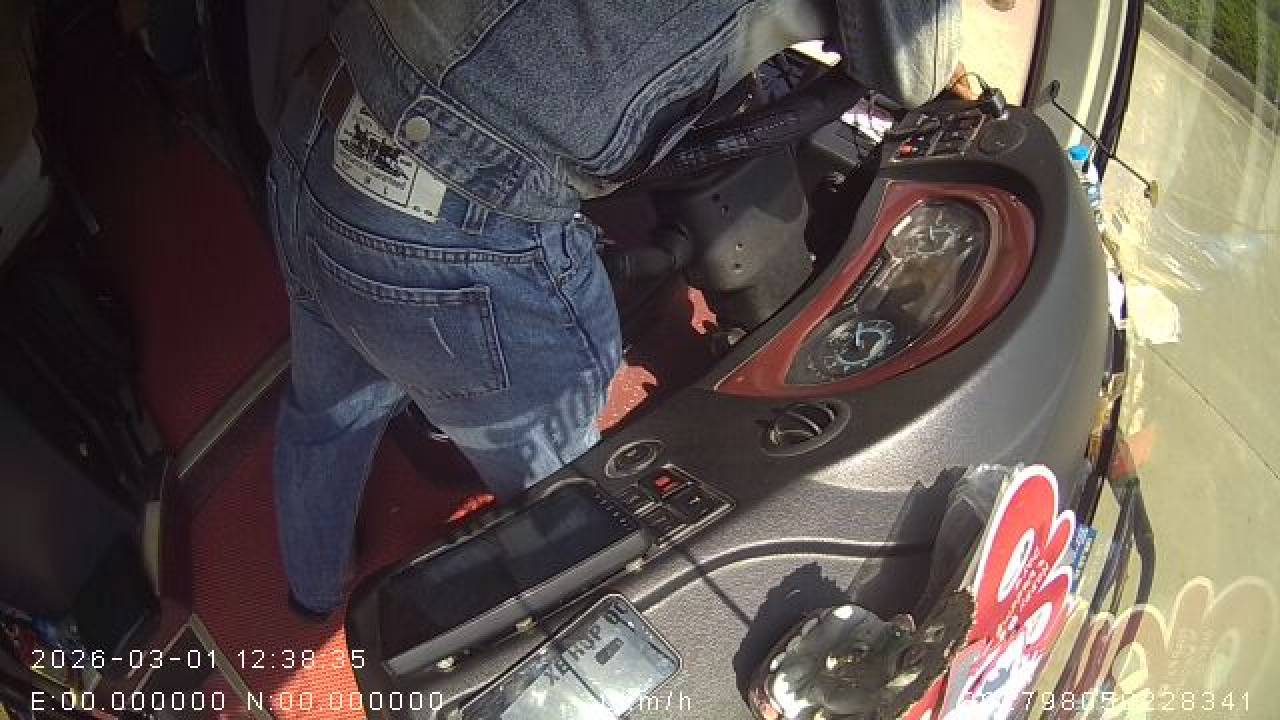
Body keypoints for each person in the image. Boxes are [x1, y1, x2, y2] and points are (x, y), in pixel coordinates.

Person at [267, 0, 970, 619]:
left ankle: (310, 590)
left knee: (326, 409)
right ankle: (575, 638)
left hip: (325, 113)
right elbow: (914, 65)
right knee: (562, 497)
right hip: (448, 223)